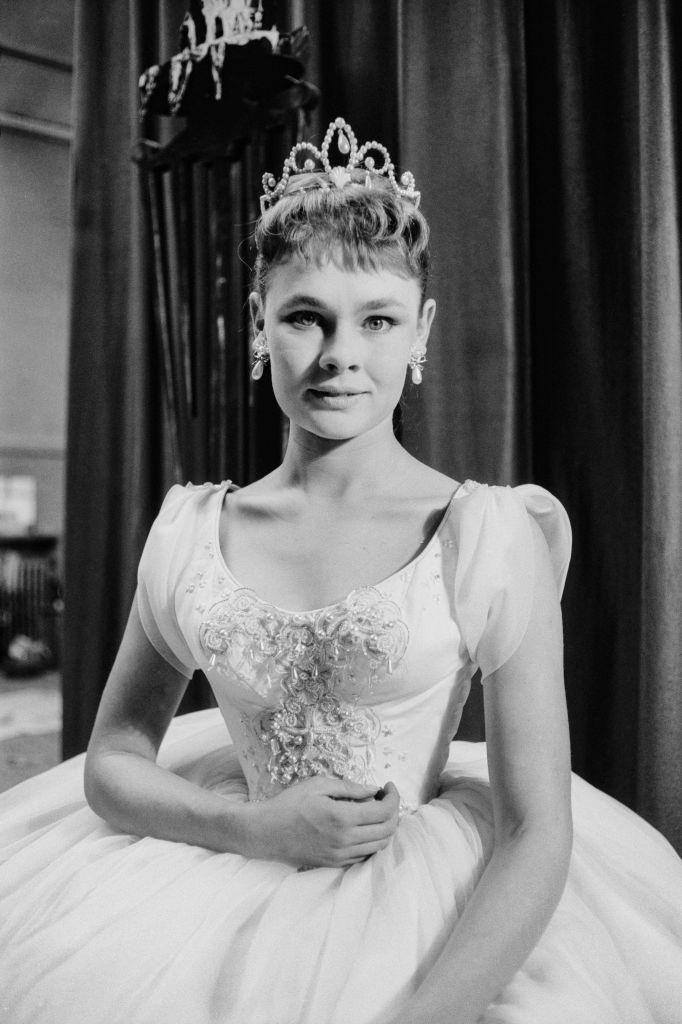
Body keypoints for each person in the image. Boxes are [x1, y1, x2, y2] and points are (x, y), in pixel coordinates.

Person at [0, 116, 681, 1024]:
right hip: (210, 899)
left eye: (377, 320)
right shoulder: (196, 530)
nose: (339, 357)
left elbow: (537, 831)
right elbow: (113, 757)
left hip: (427, 907)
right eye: (304, 318)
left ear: (421, 331)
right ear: (259, 324)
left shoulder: (482, 530)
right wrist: (249, 828)